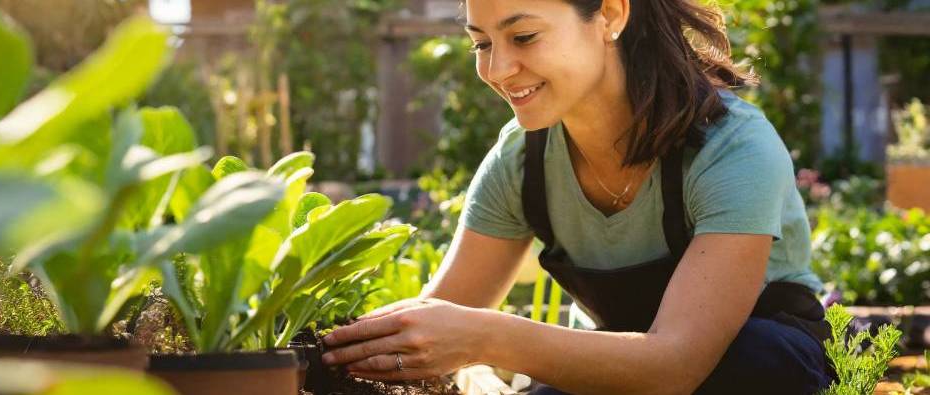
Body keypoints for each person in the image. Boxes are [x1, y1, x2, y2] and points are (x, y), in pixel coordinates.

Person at [320, 0, 833, 393]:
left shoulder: (731, 148)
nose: (497, 70)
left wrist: (487, 338)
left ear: (610, 14)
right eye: (481, 44)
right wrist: (314, 349)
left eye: (523, 36)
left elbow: (677, 366)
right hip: (616, 376)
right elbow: (439, 312)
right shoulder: (522, 161)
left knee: (751, 358)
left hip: (753, 370)